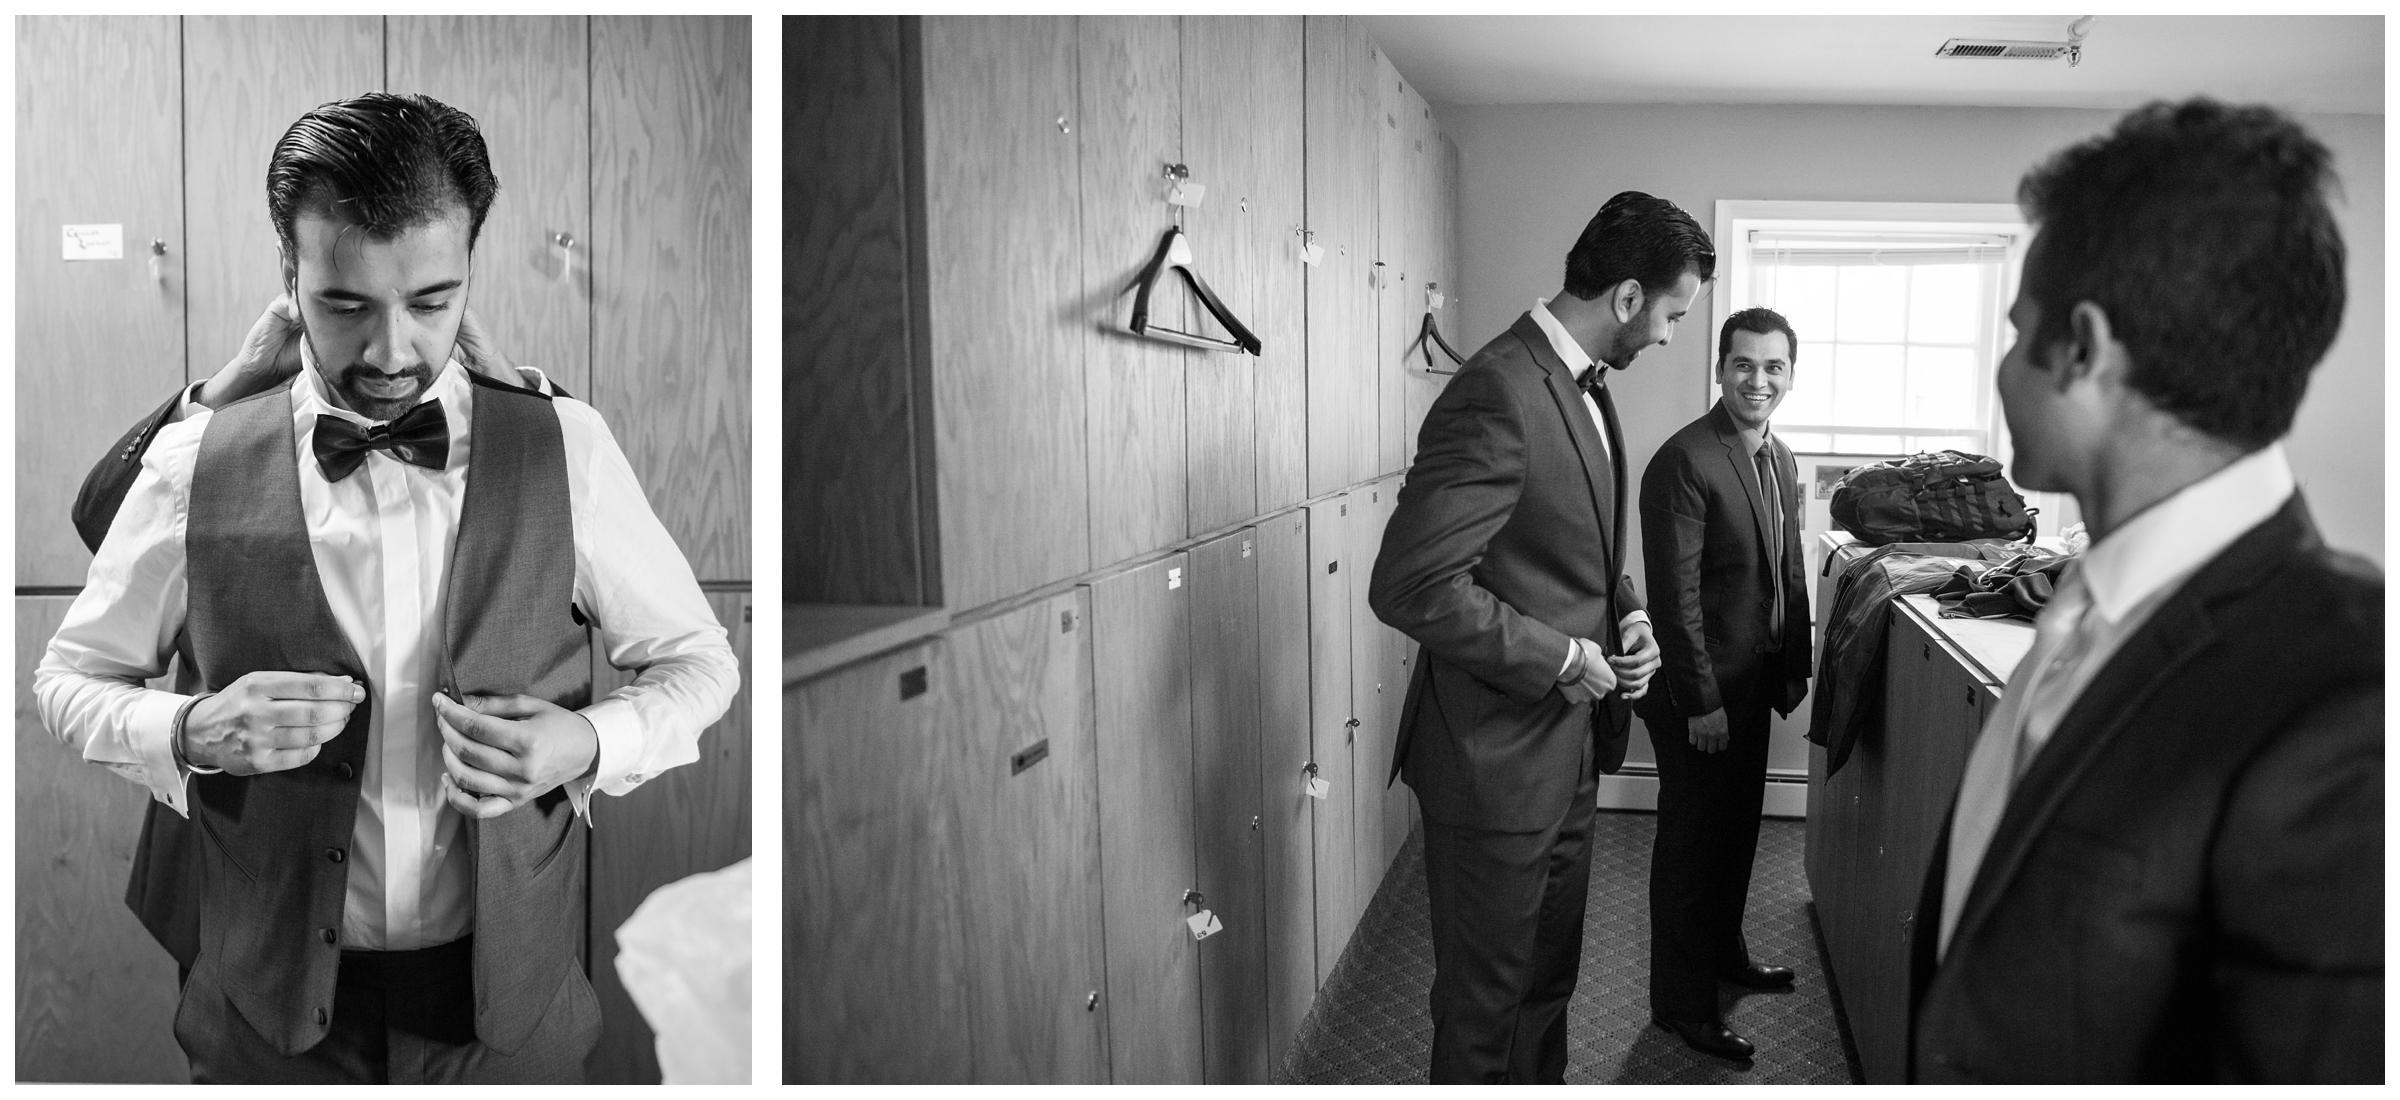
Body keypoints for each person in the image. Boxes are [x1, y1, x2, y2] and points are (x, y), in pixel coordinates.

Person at [34, 91, 741, 1084]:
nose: (391, 352)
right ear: (289, 274)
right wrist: (189, 730)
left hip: (506, 1014)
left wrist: (587, 740)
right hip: (260, 1010)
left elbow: (701, 661)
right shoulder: (200, 456)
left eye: (430, 302)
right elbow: (66, 678)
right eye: (345, 305)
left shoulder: (565, 447)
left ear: (469, 274)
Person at [1912, 98, 2381, 1083]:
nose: (2004, 367)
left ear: (2083, 348)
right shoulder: (2096, 594)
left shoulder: (2349, 692)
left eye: (2016, 330)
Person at [1369, 189, 1710, 1084]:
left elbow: (1571, 548)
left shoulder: (1588, 389)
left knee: (1547, 986)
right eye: (1673, 314)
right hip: (1492, 763)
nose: (1673, 337)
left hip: (1569, 753)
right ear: (1628, 298)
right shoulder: (1497, 389)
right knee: (1484, 1007)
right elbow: (1410, 584)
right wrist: (1561, 656)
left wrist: (1627, 612)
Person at [1634, 306, 1812, 1062]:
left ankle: (1726, 955)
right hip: (1700, 694)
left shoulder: (1780, 456)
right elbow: (1672, 599)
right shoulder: (1687, 459)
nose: (1758, 379)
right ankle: (1680, 1005)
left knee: (1737, 829)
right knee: (1692, 847)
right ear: (1720, 369)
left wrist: (1793, 663)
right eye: (1744, 364)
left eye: (1773, 367)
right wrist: (1701, 701)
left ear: (1790, 376)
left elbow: (1786, 565)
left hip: (1752, 681)